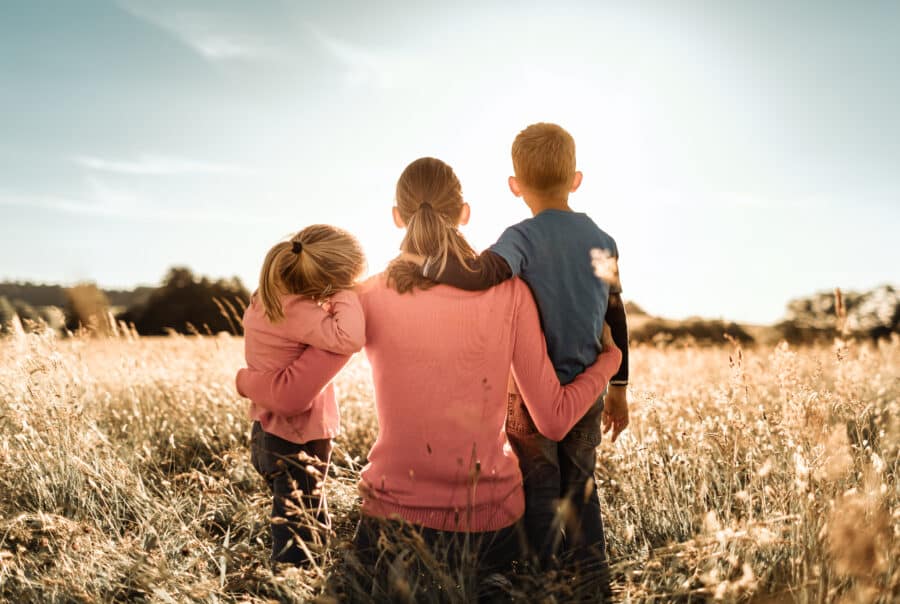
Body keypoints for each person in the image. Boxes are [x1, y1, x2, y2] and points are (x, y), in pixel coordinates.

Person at [236, 157, 622, 590]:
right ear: (465, 214)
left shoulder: (366, 297)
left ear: (397, 218)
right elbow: (553, 418)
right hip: (494, 530)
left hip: (390, 531)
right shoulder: (511, 292)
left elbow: (293, 393)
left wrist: (246, 378)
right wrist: (609, 361)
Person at [404, 123, 630, 584]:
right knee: (581, 487)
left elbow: (485, 272)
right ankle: (593, 582)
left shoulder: (521, 237)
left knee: (539, 487)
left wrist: (428, 264)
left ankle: (541, 582)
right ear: (576, 179)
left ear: (515, 186)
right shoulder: (603, 242)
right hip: (588, 390)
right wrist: (620, 386)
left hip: (531, 393)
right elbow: (615, 312)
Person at [240, 224, 366, 565]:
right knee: (296, 536)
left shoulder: (265, 299)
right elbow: (350, 337)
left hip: (268, 433)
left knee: (309, 514)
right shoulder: (297, 310)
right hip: (295, 439)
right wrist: (346, 294)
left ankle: (313, 573)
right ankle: (290, 586)